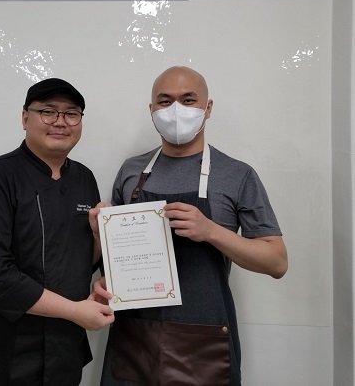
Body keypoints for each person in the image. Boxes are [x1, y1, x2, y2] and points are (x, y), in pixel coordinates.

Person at [90, 66, 287, 386]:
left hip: (204, 341)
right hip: (135, 341)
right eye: (165, 101)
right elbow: (116, 261)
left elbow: (277, 262)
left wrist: (211, 231)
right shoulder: (131, 171)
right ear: (152, 110)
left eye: (188, 100)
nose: (176, 110)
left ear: (208, 108)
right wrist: (102, 243)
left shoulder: (237, 175)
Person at [0, 78, 114, 386]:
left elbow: (81, 263)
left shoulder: (84, 178)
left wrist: (97, 236)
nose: (60, 121)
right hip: (3, 351)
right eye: (48, 111)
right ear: (25, 118)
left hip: (63, 349)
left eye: (71, 114)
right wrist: (74, 312)